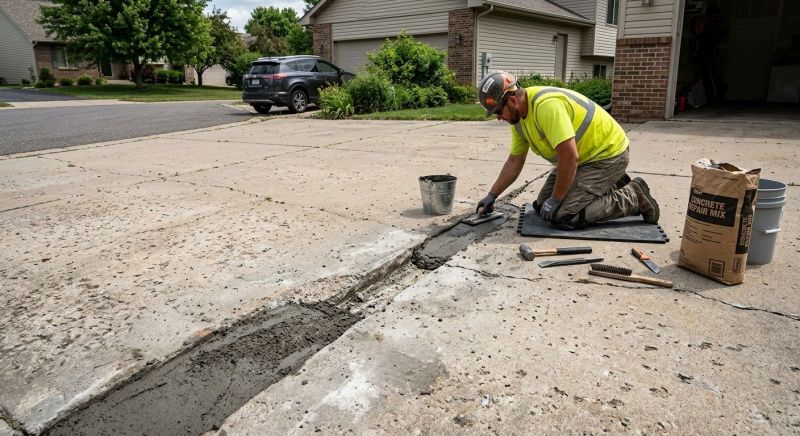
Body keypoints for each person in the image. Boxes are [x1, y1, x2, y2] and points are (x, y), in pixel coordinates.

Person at [475, 71, 659, 229]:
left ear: (513, 100)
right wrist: (493, 195)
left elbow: (569, 157)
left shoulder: (546, 106)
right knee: (541, 207)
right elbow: (515, 161)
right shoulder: (518, 121)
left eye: (498, 112)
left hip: (607, 156)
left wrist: (557, 198)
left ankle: (634, 196)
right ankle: (612, 183)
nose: (498, 118)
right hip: (583, 160)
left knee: (563, 215)